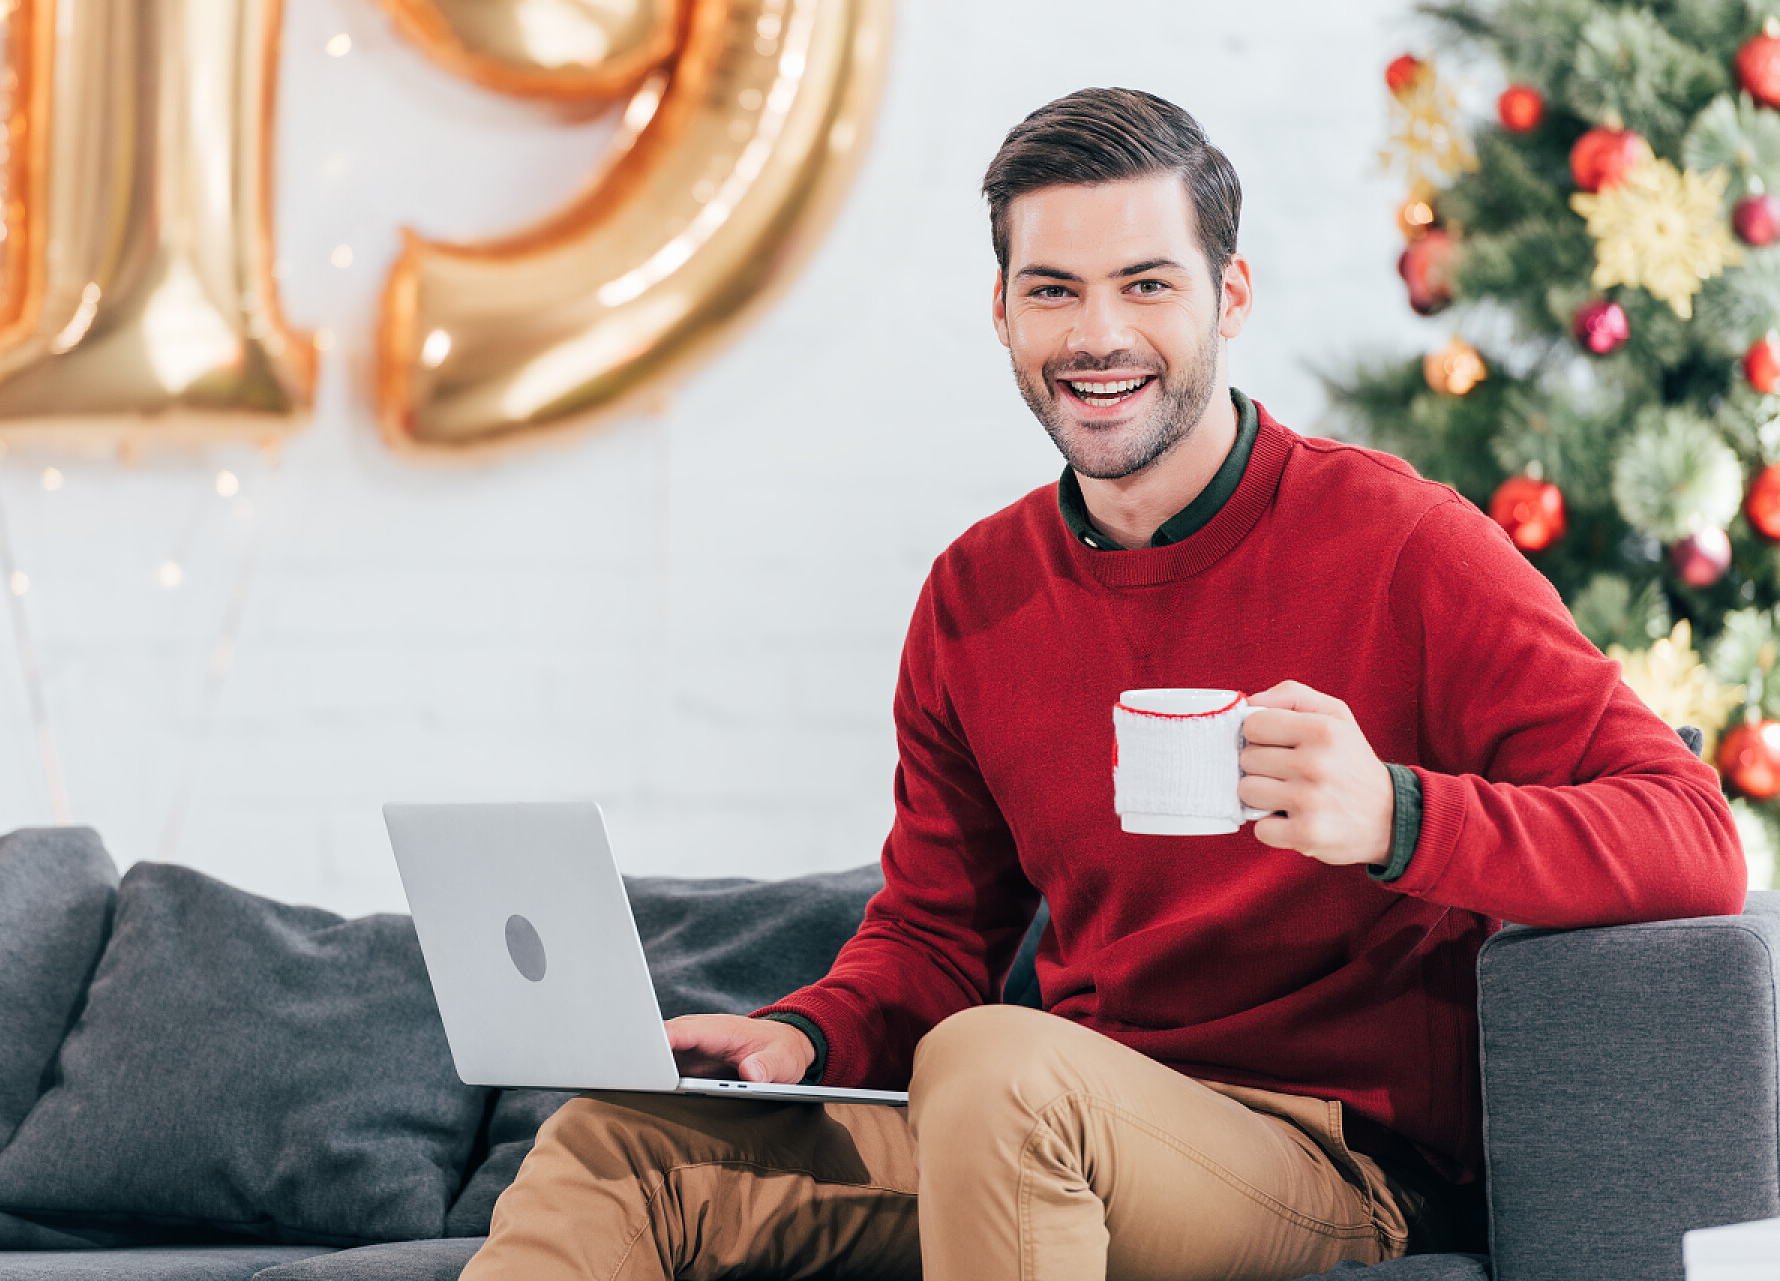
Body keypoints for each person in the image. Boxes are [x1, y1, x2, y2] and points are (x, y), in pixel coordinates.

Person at [459, 88, 1746, 1281]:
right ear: (1004, 312)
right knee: (609, 1146)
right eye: (1055, 290)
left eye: (1146, 284)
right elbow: (933, 934)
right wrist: (806, 1036)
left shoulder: (1403, 547)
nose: (1100, 336)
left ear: (1231, 294)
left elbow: (1692, 835)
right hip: (1037, 1125)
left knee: (1002, 1071)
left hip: (1323, 1159)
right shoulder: (977, 595)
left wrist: (1401, 817)